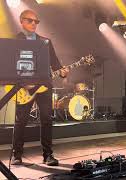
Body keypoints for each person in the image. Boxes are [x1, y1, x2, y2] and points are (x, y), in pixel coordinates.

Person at [12, 10, 69, 166]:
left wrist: (63, 72)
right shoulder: (15, 41)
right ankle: (16, 155)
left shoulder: (45, 41)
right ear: (21, 21)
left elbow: (56, 64)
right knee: (21, 121)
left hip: (44, 86)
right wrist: (23, 83)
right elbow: (11, 65)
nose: (33, 24)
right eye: (29, 21)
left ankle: (48, 155)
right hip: (24, 88)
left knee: (46, 120)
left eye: (36, 22)